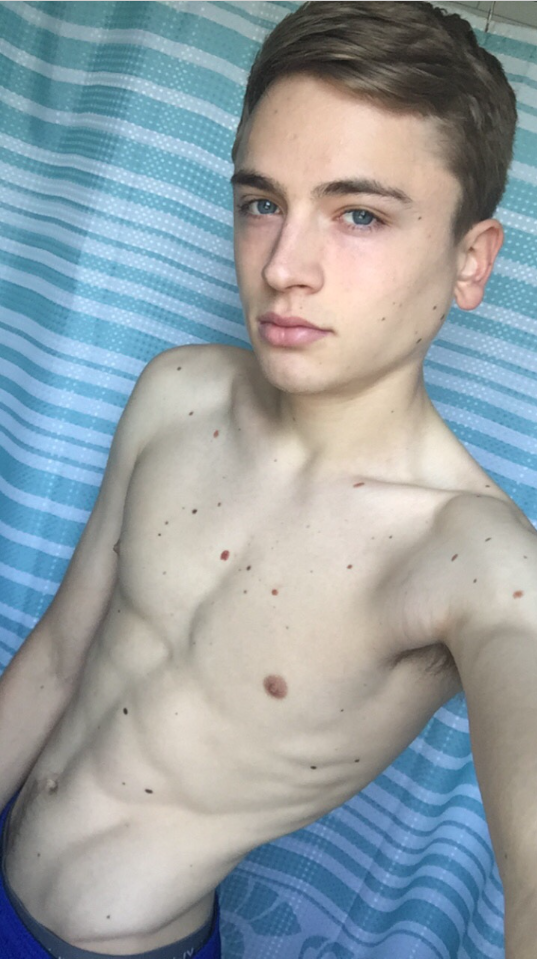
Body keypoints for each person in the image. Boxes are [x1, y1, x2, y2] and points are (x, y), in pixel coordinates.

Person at [0, 2, 535, 957]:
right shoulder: (176, 389)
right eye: (261, 203)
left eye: (359, 214)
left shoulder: (469, 556)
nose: (284, 266)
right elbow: (57, 655)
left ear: (470, 259)